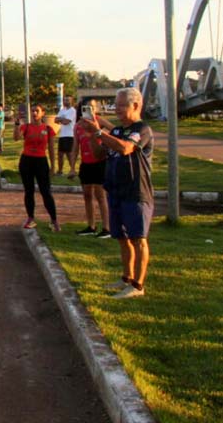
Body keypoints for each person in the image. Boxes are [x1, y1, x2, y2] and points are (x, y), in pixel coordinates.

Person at [80, 88, 154, 299]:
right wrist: (92, 135)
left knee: (138, 238)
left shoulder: (142, 129)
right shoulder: (117, 131)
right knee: (122, 238)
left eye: (121, 105)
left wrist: (98, 132)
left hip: (136, 192)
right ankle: (126, 278)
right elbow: (98, 153)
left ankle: (138, 285)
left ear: (136, 106)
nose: (117, 110)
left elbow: (125, 149)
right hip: (116, 191)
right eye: (116, 105)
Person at [14, 104, 59, 231]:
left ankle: (54, 220)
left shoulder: (48, 129)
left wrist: (53, 166)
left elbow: (51, 148)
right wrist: (17, 125)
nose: (34, 113)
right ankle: (31, 218)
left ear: (42, 113)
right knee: (29, 191)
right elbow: (16, 138)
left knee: (46, 192)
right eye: (32, 111)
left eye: (37, 111)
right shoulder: (26, 126)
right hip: (26, 161)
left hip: (41, 161)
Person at [74, 99, 111, 238]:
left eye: (92, 107)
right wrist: (72, 166)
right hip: (86, 163)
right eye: (86, 108)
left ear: (95, 109)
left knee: (100, 195)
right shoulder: (78, 125)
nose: (89, 110)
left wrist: (100, 133)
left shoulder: (100, 121)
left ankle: (107, 228)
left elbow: (115, 131)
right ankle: (91, 226)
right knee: (87, 195)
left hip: (99, 162)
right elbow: (75, 146)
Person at [54, 95, 78, 178]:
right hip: (62, 135)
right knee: (60, 154)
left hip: (70, 135)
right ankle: (60, 171)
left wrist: (60, 119)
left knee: (69, 154)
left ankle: (72, 171)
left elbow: (66, 122)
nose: (66, 101)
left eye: (68, 100)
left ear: (71, 101)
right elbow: (55, 120)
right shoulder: (62, 110)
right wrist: (61, 119)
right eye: (65, 100)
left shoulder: (72, 111)